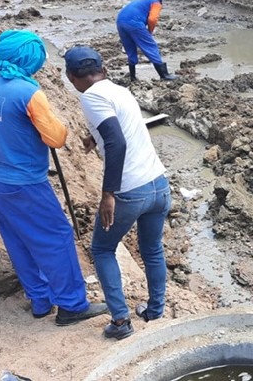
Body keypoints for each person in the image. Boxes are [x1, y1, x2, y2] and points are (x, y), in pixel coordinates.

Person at [0, 30, 108, 325]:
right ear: (30, 59)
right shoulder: (28, 92)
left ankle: (40, 300)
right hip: (22, 180)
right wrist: (60, 125)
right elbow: (55, 138)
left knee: (15, 236)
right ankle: (72, 305)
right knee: (56, 236)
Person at [64, 45, 172, 340]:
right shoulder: (119, 90)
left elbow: (117, 143)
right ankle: (155, 310)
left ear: (71, 77)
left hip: (129, 191)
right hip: (158, 183)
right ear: (104, 69)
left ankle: (121, 322)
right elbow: (120, 127)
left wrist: (108, 193)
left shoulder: (90, 97)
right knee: (152, 249)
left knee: (102, 249)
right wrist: (94, 136)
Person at [116, 0, 178, 81]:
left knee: (130, 48)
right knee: (151, 47)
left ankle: (132, 77)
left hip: (120, 22)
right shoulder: (155, 2)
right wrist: (150, 31)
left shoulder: (139, 0)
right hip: (134, 23)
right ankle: (164, 75)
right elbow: (153, 19)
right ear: (160, 0)